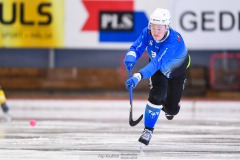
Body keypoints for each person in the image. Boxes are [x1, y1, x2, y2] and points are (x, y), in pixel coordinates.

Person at [124, 8, 190, 146]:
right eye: (153, 27)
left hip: (175, 70)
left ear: (167, 27)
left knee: (172, 110)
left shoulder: (173, 40)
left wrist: (137, 76)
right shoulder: (147, 33)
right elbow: (137, 47)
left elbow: (157, 62)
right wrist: (131, 57)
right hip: (157, 69)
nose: (155, 32)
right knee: (156, 96)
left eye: (159, 28)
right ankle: (148, 130)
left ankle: (169, 106)